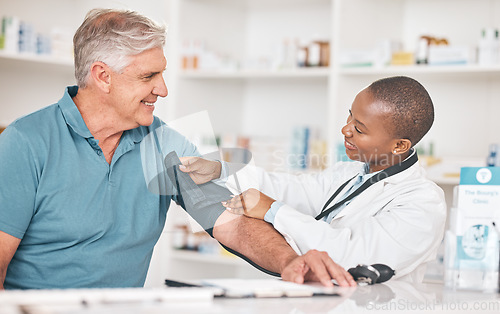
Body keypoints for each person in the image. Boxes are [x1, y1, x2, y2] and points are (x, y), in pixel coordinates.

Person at [0, 8, 355, 290]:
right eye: (148, 76)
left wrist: (289, 261)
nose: (163, 89)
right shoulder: (26, 143)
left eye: (162, 74)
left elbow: (231, 224)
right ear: (103, 76)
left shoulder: (164, 143)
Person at [183, 76, 447, 283]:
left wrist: (274, 211)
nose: (345, 129)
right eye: (350, 116)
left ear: (399, 145)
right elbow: (295, 188)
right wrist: (222, 171)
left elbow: (350, 256)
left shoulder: (422, 202)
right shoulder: (350, 173)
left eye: (359, 128)